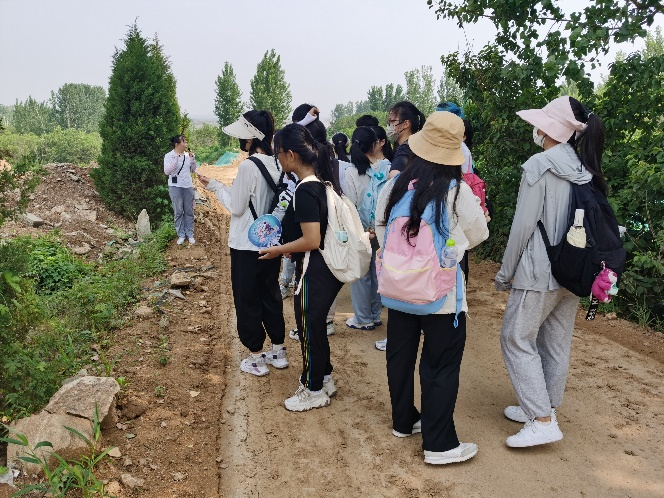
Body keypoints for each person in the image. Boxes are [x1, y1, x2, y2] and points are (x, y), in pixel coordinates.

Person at [375, 111, 489, 464]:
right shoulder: (456, 192)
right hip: (441, 297)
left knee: (399, 356)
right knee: (440, 365)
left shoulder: (395, 187)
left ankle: (403, 421)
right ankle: (439, 445)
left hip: (398, 291)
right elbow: (478, 234)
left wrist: (405, 263)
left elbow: (380, 229)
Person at [495, 96, 604, 447]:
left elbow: (522, 227)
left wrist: (505, 273)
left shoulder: (539, 165)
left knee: (515, 337)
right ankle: (544, 407)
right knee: (555, 342)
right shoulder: (584, 167)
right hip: (574, 269)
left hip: (538, 271)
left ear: (550, 129)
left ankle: (542, 420)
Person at [258, 123, 344, 412]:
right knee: (315, 326)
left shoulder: (305, 190)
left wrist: (276, 250)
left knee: (308, 327)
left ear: (291, 154)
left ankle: (313, 388)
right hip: (323, 270)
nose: (278, 160)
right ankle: (325, 377)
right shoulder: (320, 183)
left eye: (278, 154)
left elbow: (311, 239)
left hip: (314, 270)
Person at [198, 110, 287, 377]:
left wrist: (215, 186)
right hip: (270, 242)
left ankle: (256, 357)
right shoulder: (277, 162)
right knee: (270, 294)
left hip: (245, 244)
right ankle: (278, 351)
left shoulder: (249, 166)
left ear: (250, 138)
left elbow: (236, 207)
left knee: (247, 298)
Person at [344, 126, 389, 331]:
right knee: (378, 272)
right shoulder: (387, 169)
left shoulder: (351, 172)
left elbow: (350, 204)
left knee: (360, 274)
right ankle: (375, 315)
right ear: (375, 144)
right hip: (382, 228)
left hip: (360, 230)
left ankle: (363, 318)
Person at [164, 135, 197, 245]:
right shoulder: (169, 156)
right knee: (178, 211)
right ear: (177, 144)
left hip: (188, 186)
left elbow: (193, 170)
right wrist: (176, 160)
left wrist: (192, 160)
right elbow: (167, 172)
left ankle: (190, 234)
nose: (186, 143)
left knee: (189, 211)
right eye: (184, 141)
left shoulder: (187, 156)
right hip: (175, 186)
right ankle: (181, 235)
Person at [386, 101, 426, 179]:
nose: (389, 125)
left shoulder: (405, 149)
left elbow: (393, 176)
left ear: (406, 124)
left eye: (392, 121)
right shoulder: (418, 145)